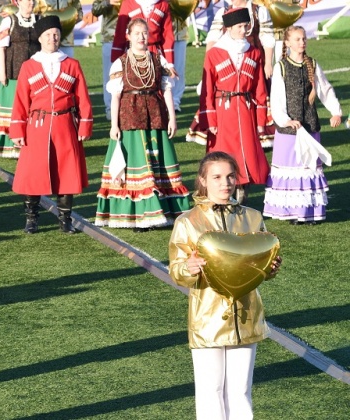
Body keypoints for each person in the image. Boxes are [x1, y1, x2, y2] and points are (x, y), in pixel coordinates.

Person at [169, 151, 282, 420]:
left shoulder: (253, 218)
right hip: (207, 317)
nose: (225, 183)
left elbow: (258, 264)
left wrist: (270, 269)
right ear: (203, 180)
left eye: (230, 176)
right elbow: (176, 270)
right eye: (217, 177)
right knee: (211, 389)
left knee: (241, 390)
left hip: (246, 315)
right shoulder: (187, 222)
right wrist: (189, 267)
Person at [96, 18, 190, 232]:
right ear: (128, 36)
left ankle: (164, 209)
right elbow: (116, 96)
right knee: (137, 163)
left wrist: (172, 118)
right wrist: (114, 124)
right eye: (137, 33)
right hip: (131, 115)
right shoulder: (120, 62)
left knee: (158, 159)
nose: (141, 37)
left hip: (155, 113)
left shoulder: (158, 60)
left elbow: (166, 89)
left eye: (144, 33)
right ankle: (138, 214)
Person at [10, 15, 92, 234]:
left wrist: (84, 125)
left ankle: (65, 220)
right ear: (40, 37)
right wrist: (17, 129)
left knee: (66, 173)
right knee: (33, 173)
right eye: (48, 35)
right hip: (37, 126)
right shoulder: (29, 66)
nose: (52, 38)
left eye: (56, 34)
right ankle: (31, 219)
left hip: (65, 125)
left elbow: (83, 98)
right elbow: (20, 101)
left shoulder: (72, 64)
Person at [263, 26, 343, 225]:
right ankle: (293, 212)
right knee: (290, 169)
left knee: (308, 168)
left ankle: (310, 212)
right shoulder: (281, 67)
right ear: (287, 43)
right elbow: (277, 98)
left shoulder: (313, 65)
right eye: (297, 39)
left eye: (304, 39)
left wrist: (335, 111)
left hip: (309, 124)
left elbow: (325, 89)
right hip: (289, 130)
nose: (302, 42)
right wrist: (285, 120)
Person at [199, 7, 269, 204]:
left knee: (247, 153)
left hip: (246, 110)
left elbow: (259, 87)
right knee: (223, 152)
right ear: (229, 27)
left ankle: (242, 192)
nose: (244, 30)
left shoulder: (254, 52)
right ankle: (220, 195)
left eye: (246, 26)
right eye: (240, 26)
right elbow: (207, 90)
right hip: (223, 111)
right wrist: (210, 119)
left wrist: (261, 119)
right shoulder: (214, 53)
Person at [187, 0, 275, 147]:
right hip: (228, 66)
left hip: (252, 63)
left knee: (259, 97)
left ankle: (258, 135)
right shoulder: (223, 12)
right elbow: (212, 39)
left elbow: (268, 39)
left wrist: (268, 64)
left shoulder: (259, 11)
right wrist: (209, 66)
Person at [0, 0, 40, 158]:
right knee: (12, 107)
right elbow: (1, 48)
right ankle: (7, 146)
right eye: (27, 0)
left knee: (32, 107)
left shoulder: (39, 20)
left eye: (33, 0)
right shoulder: (9, 20)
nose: (31, 2)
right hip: (13, 73)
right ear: (18, 2)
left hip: (34, 73)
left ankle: (31, 143)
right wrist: (2, 72)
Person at [110, 0, 175, 66]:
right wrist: (115, 61)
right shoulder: (127, 3)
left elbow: (167, 35)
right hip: (132, 53)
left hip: (155, 54)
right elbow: (120, 33)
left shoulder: (163, 4)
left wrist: (170, 63)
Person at [92, 0, 120, 121]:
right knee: (110, 75)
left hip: (132, 36)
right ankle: (110, 109)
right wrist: (108, 2)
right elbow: (95, 9)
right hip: (111, 37)